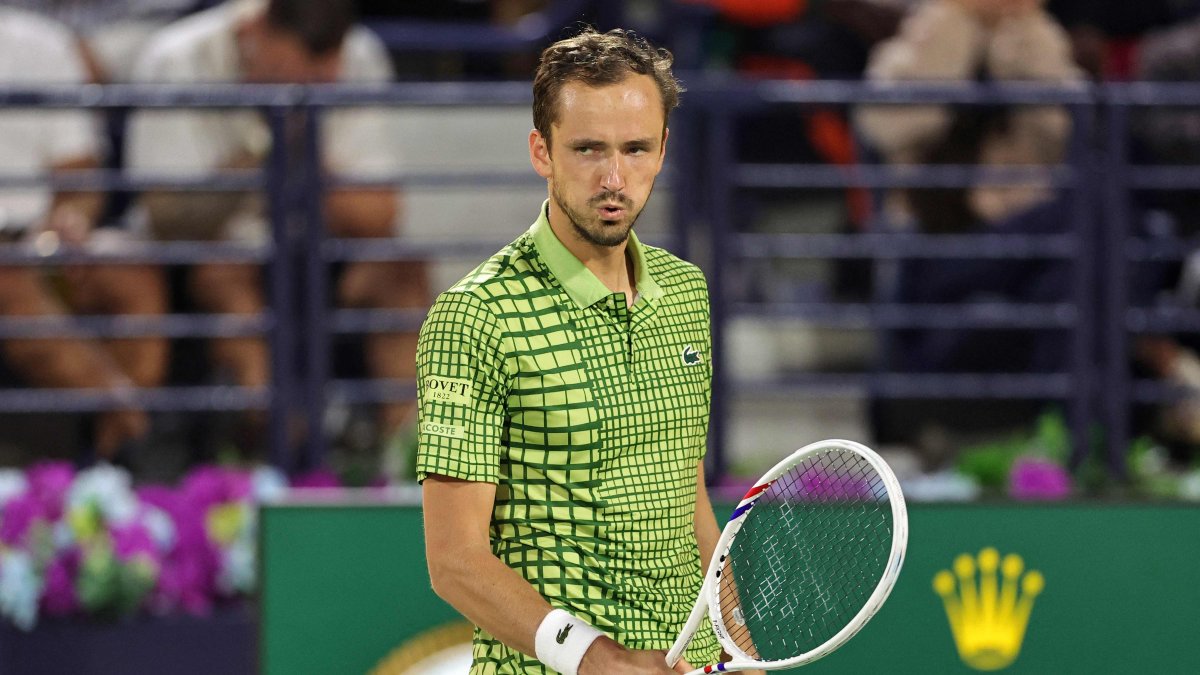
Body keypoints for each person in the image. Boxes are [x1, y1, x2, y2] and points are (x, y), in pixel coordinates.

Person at [417, 27, 725, 675]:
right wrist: (591, 658)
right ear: (542, 151)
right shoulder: (476, 315)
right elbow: (454, 558)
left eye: (636, 149)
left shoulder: (686, 292)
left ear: (664, 150)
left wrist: (737, 639)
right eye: (588, 149)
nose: (614, 178)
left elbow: (685, 493)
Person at [125, 0, 427, 458]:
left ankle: (405, 464)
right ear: (258, 32)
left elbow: (377, 214)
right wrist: (265, 150)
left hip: (322, 251)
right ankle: (283, 456)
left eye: (328, 64)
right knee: (227, 281)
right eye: (303, 62)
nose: (324, 78)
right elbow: (165, 214)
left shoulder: (359, 55)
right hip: (208, 259)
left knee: (400, 271)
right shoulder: (179, 55)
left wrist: (304, 148)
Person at [852, 0, 1084, 455]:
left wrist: (1023, 38)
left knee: (1073, 261)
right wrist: (954, 29)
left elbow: (1067, 130)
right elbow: (884, 126)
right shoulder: (916, 42)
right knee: (1079, 227)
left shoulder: (1039, 39)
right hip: (933, 244)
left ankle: (1064, 436)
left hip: (1023, 243)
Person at [0, 6, 168, 462]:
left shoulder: (41, 45)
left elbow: (79, 175)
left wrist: (70, 219)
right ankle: (133, 432)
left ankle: (110, 464)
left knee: (127, 268)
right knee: (8, 283)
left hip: (34, 241)